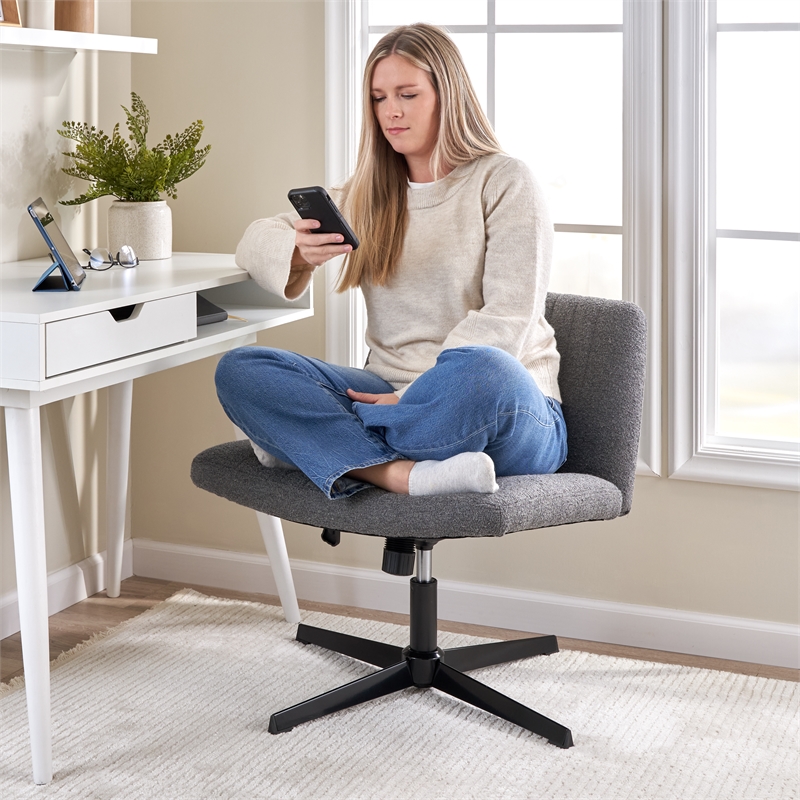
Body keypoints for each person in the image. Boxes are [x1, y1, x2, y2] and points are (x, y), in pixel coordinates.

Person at [215, 23, 567, 500]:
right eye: (379, 98)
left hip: (503, 409)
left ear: (449, 96)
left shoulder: (504, 181)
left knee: (487, 369)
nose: (391, 112)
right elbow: (253, 242)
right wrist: (298, 251)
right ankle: (399, 474)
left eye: (407, 94)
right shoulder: (367, 194)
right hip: (384, 389)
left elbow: (508, 319)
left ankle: (319, 443)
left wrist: (412, 397)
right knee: (242, 369)